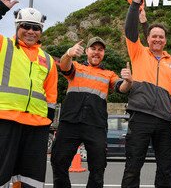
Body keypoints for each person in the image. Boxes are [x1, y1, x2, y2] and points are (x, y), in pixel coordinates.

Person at [121, 0, 171, 188]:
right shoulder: (138, 52)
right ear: (148, 38)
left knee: (166, 169)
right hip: (140, 117)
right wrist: (136, 1)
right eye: (153, 36)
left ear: (166, 40)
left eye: (161, 37)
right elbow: (130, 30)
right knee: (133, 167)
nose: (157, 39)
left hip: (166, 121)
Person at [51, 37, 132, 187]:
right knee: (58, 161)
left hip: (96, 125)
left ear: (103, 53)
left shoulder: (109, 74)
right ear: (87, 51)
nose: (96, 52)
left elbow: (121, 88)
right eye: (93, 49)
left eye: (100, 50)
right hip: (70, 122)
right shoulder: (75, 66)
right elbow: (64, 66)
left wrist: (128, 81)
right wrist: (69, 53)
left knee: (98, 167)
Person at [0, 0, 58, 187]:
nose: (31, 31)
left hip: (36, 127)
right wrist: (0, 8)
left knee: (30, 181)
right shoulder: (4, 45)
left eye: (36, 28)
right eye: (26, 26)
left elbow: (51, 96)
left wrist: (47, 124)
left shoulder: (48, 60)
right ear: (17, 27)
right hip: (5, 121)